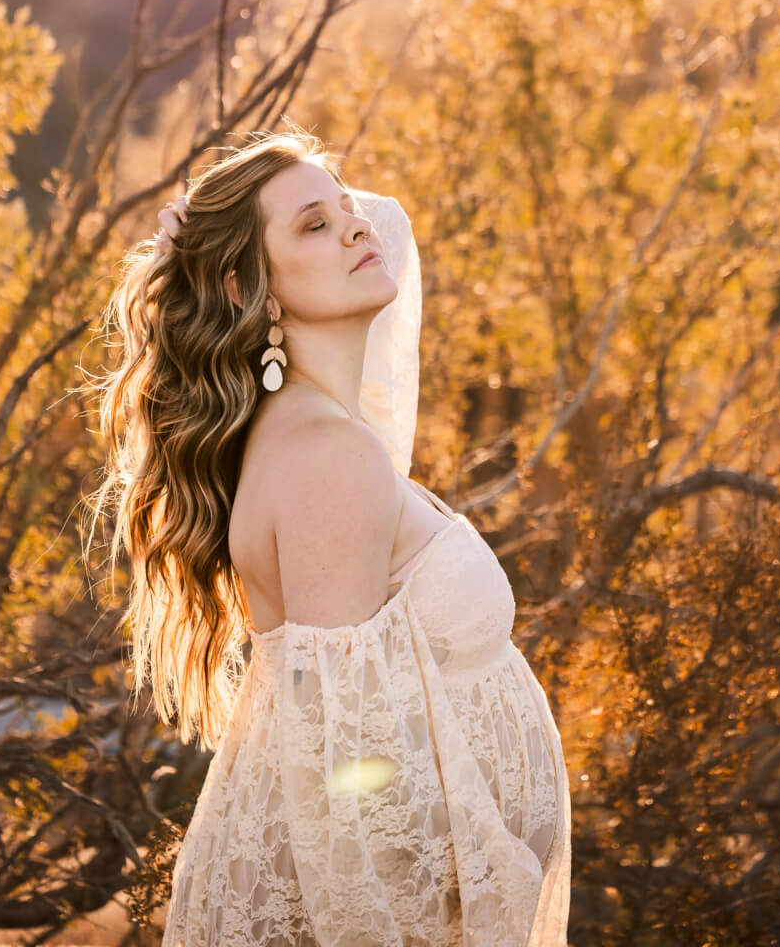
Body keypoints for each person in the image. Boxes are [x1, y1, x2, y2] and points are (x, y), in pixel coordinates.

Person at [93, 126, 570, 945]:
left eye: (349, 211)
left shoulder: (316, 432)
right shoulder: (328, 458)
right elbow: (348, 785)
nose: (357, 228)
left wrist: (203, 249)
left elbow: (386, 225)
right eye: (315, 226)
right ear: (251, 292)